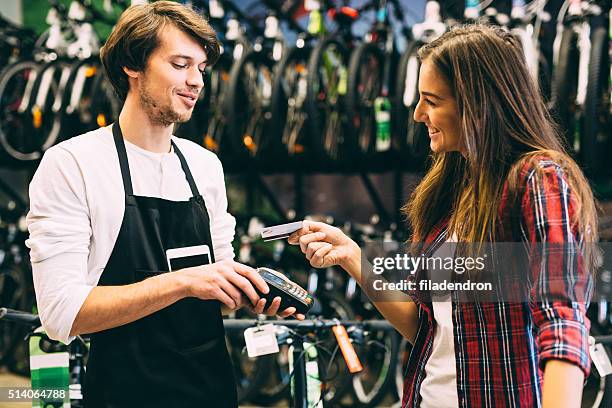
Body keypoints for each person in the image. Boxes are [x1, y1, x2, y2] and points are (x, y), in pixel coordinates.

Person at [289, 24, 599, 408]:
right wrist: (353, 257)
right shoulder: (454, 190)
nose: (419, 115)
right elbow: (427, 329)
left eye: (432, 100)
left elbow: (563, 323)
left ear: (478, 103)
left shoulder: (538, 178)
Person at [26, 2, 302, 407]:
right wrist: (183, 281)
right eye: (180, 64)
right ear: (132, 65)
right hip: (122, 394)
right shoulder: (74, 165)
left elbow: (216, 290)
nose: (196, 82)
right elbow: (61, 314)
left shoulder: (205, 167)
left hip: (212, 391)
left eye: (201, 69)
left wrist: (250, 293)